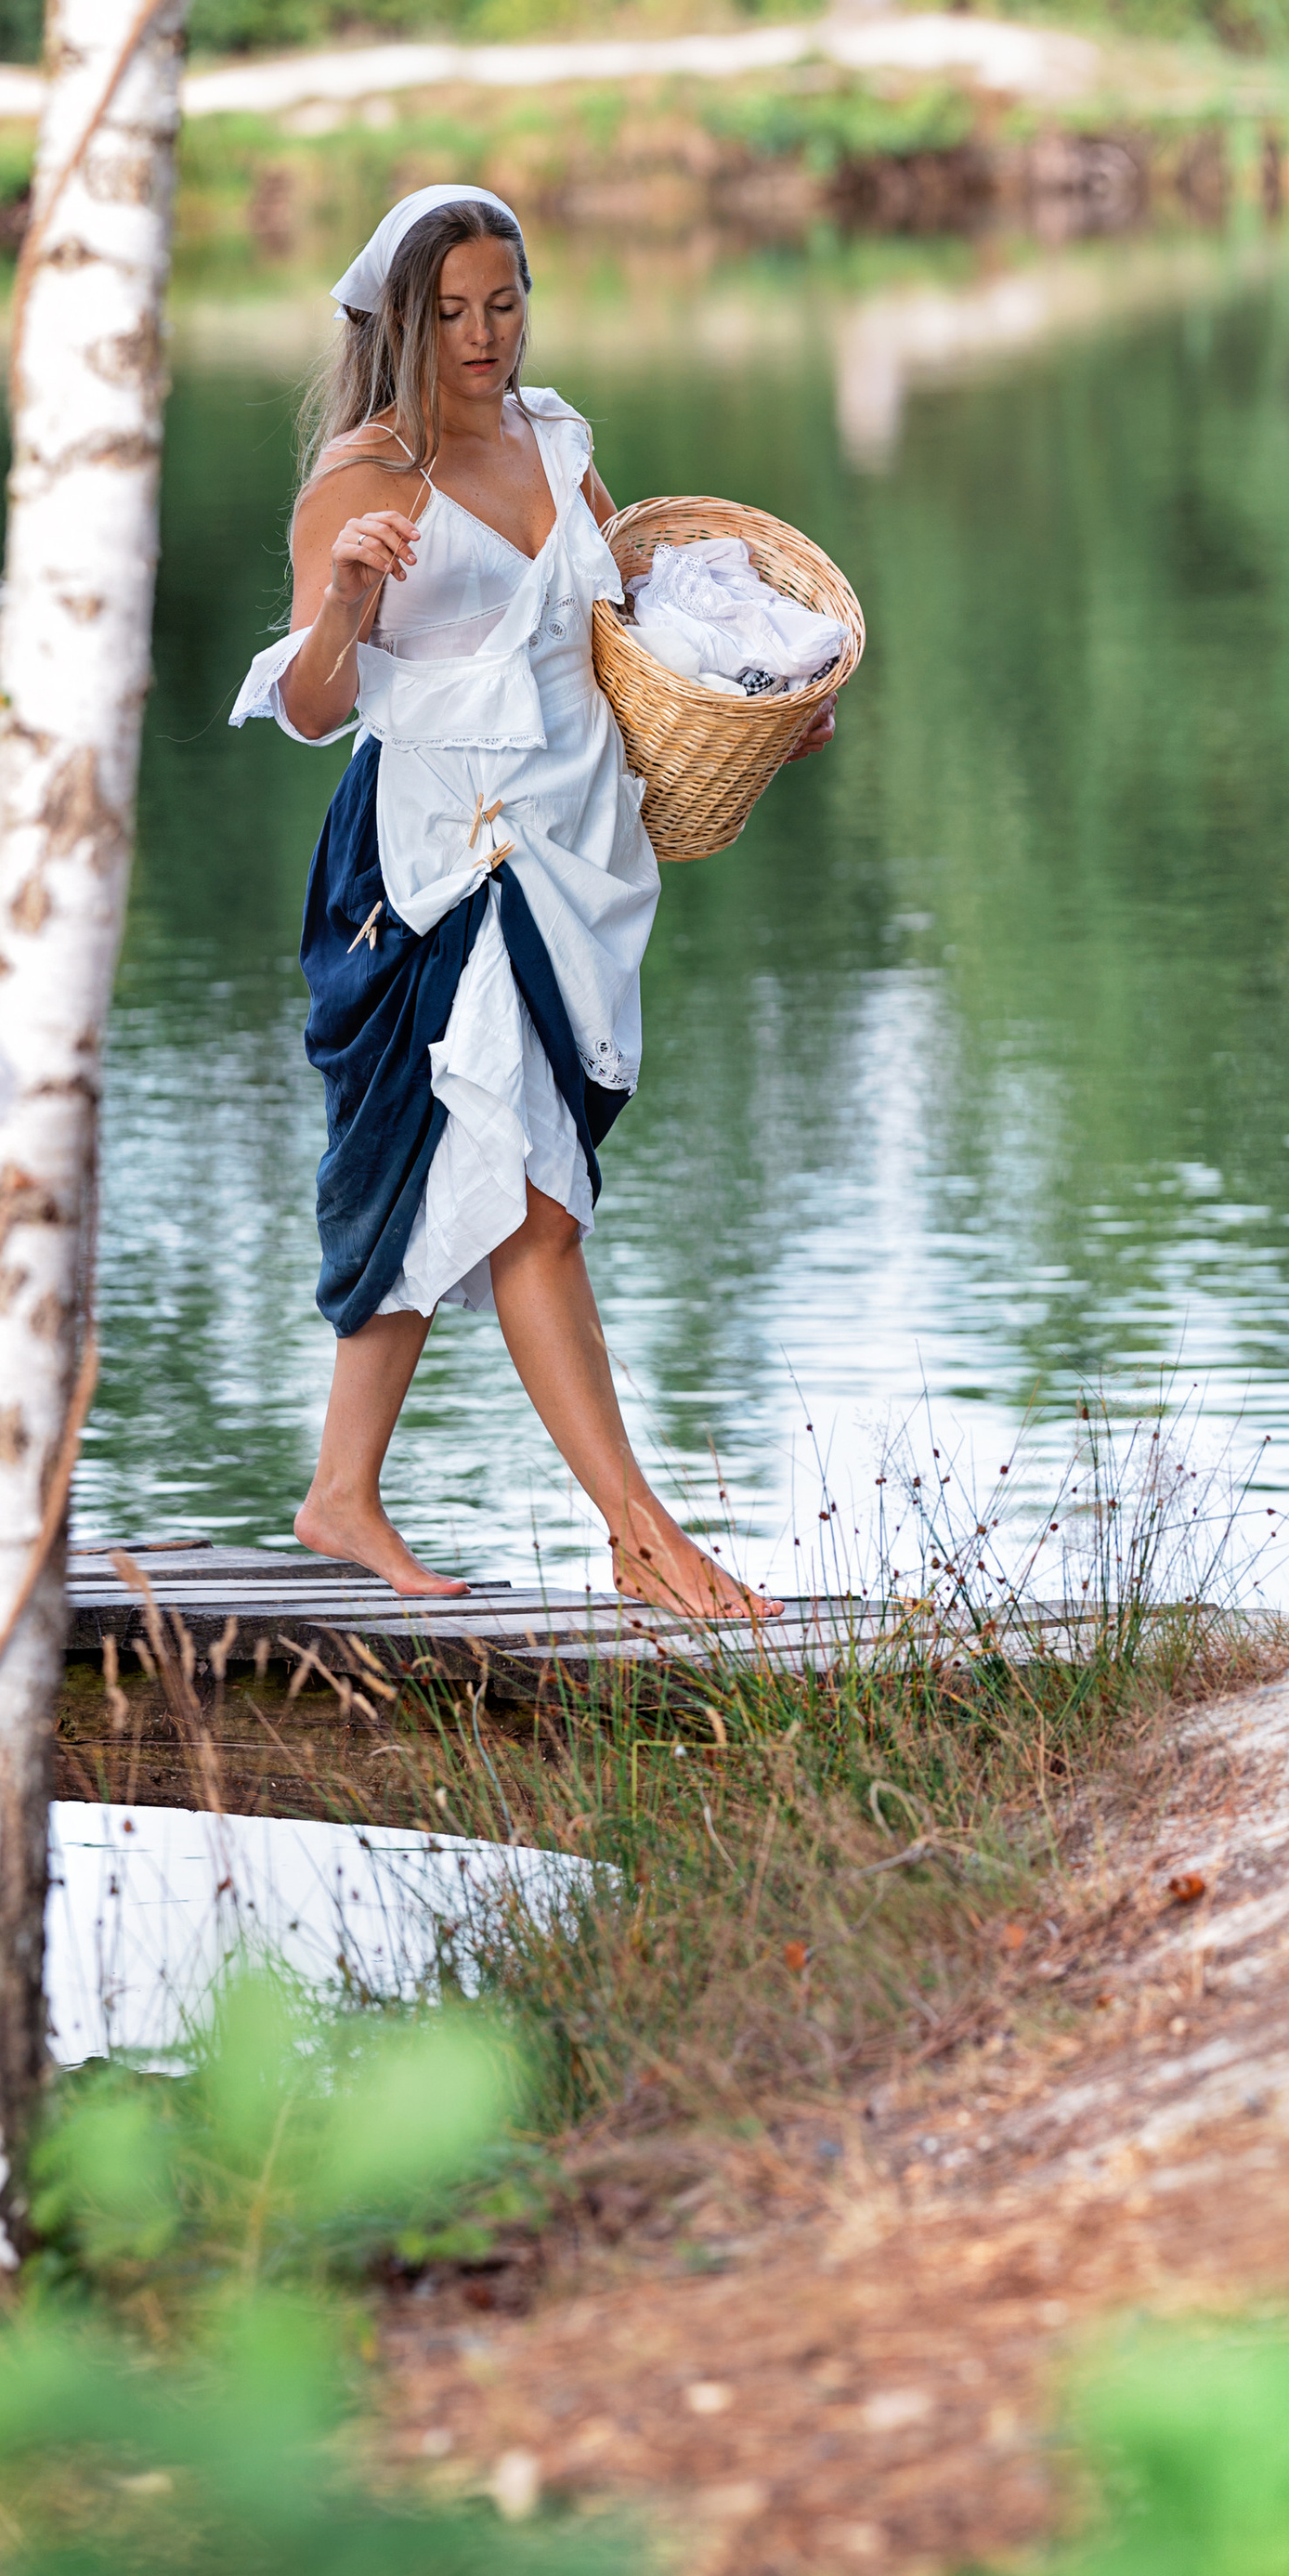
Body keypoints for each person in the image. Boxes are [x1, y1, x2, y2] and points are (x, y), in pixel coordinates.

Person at [232, 184, 829, 1614]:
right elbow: (318, 711)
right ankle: (643, 1536)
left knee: (440, 1172)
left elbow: (620, 626)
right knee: (534, 1203)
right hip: (439, 862)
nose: (484, 337)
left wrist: (756, 699)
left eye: (505, 302)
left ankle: (340, 1495)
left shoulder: (559, 443)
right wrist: (344, 607)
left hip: (575, 839)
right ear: (399, 321)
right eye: (452, 313)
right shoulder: (360, 483)